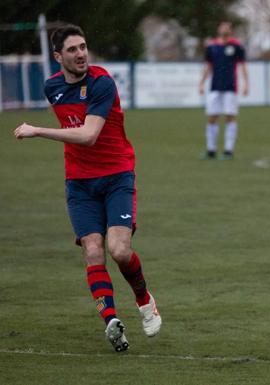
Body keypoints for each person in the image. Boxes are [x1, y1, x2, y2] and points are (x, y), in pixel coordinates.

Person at [13, 24, 161, 352]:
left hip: (117, 175)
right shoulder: (52, 87)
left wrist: (38, 130)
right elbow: (73, 132)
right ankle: (111, 322)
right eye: (72, 49)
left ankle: (144, 298)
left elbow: (88, 135)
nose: (81, 53)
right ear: (58, 57)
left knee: (119, 250)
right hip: (79, 182)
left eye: (83, 46)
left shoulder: (101, 83)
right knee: (92, 250)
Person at [199, 21, 249, 160]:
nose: (224, 28)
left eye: (227, 26)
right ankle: (211, 150)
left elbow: (243, 66)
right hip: (215, 87)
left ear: (230, 30)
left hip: (230, 87)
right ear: (218, 29)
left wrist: (246, 84)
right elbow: (208, 67)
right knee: (212, 117)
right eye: (222, 26)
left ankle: (228, 150)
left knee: (229, 116)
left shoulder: (236, 46)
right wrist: (201, 83)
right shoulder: (212, 46)